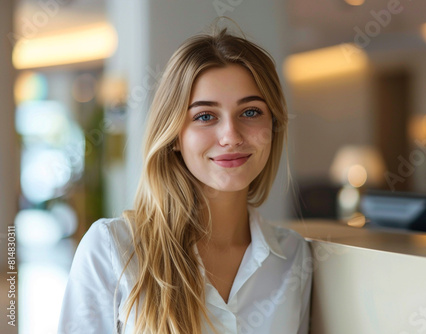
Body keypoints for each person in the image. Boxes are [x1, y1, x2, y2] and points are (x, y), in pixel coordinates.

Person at [58, 24, 312, 334]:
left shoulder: (293, 257)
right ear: (175, 136)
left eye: (250, 112)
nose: (231, 136)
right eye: (205, 116)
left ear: (273, 125)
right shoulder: (113, 250)